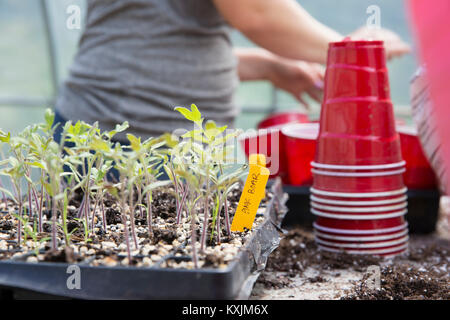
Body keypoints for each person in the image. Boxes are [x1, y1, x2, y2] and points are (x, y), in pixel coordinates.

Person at [54, 0, 410, 142]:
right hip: (129, 140)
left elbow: (152, 35)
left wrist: (266, 66)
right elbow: (258, 13)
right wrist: (352, 50)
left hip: (110, 125)